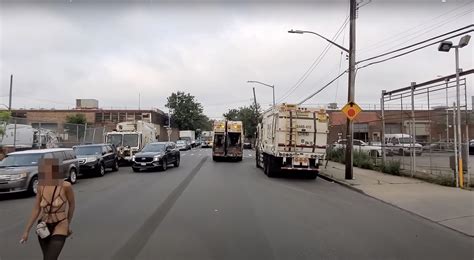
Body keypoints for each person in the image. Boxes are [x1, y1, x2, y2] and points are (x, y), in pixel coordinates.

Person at [20, 158, 76, 260]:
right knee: (47, 257)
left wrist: (68, 223)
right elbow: (36, 209)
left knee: (50, 258)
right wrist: (26, 231)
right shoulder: (41, 186)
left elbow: (72, 205)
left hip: (60, 224)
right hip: (43, 226)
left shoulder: (66, 186)